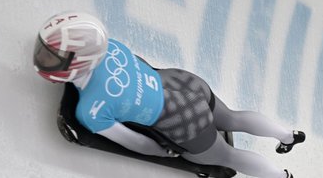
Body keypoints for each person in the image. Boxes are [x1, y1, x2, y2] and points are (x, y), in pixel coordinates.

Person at [33, 11, 305, 178]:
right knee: (231, 118)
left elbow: (137, 144)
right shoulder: (111, 45)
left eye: (50, 56)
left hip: (181, 119)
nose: (42, 59)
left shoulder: (92, 109)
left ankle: (282, 176)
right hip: (183, 82)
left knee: (228, 158)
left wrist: (163, 153)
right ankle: (287, 136)